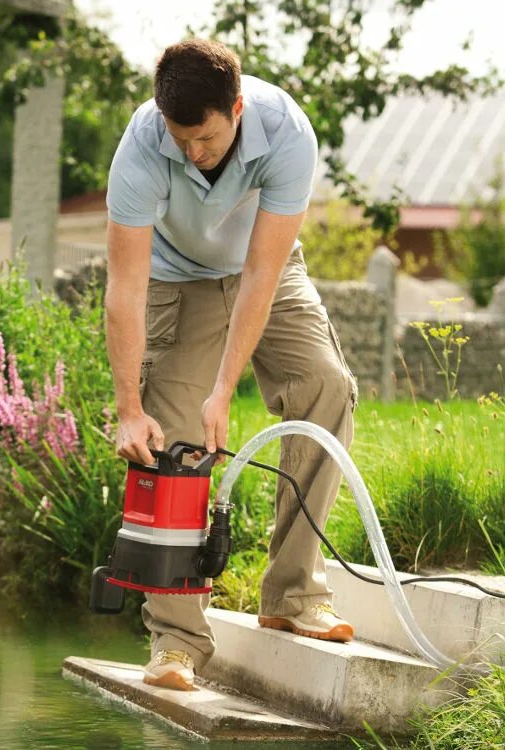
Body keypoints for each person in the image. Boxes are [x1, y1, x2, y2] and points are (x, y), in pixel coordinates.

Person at [104, 38, 359, 692]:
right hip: (175, 280)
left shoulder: (287, 135)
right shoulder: (140, 146)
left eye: (208, 138)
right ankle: (177, 644)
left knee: (327, 386)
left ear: (237, 108)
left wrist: (227, 390)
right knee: (173, 437)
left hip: (264, 273)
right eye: (180, 137)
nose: (193, 151)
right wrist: (130, 410)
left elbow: (262, 275)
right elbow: (126, 288)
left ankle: (294, 595)